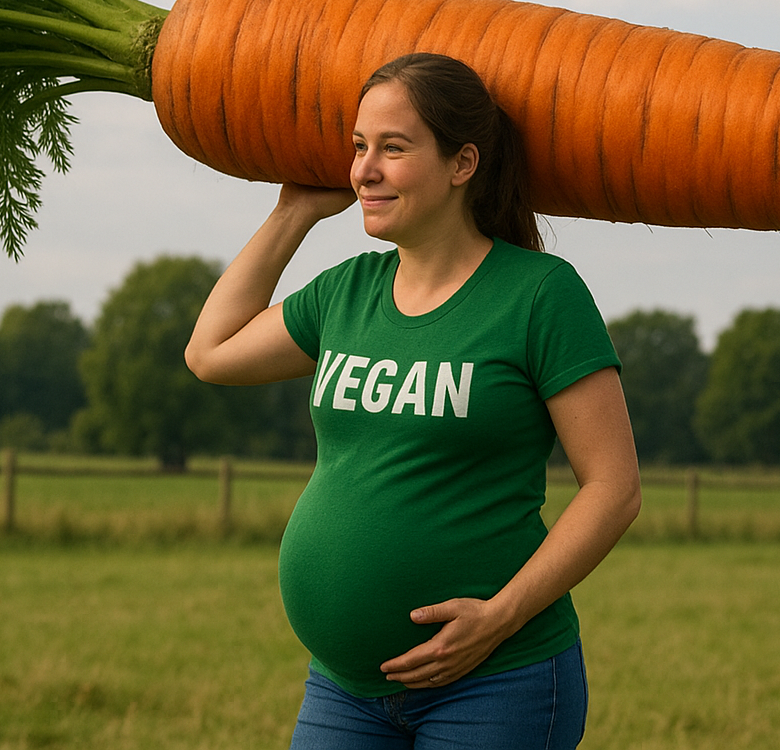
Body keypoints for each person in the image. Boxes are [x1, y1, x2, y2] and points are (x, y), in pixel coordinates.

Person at [185, 52, 642, 749]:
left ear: (462, 164)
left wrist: (500, 615)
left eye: (393, 149)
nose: (365, 168)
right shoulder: (348, 291)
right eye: (359, 147)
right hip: (345, 688)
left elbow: (613, 489)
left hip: (495, 682)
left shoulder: (539, 294)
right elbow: (210, 353)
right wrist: (293, 211)